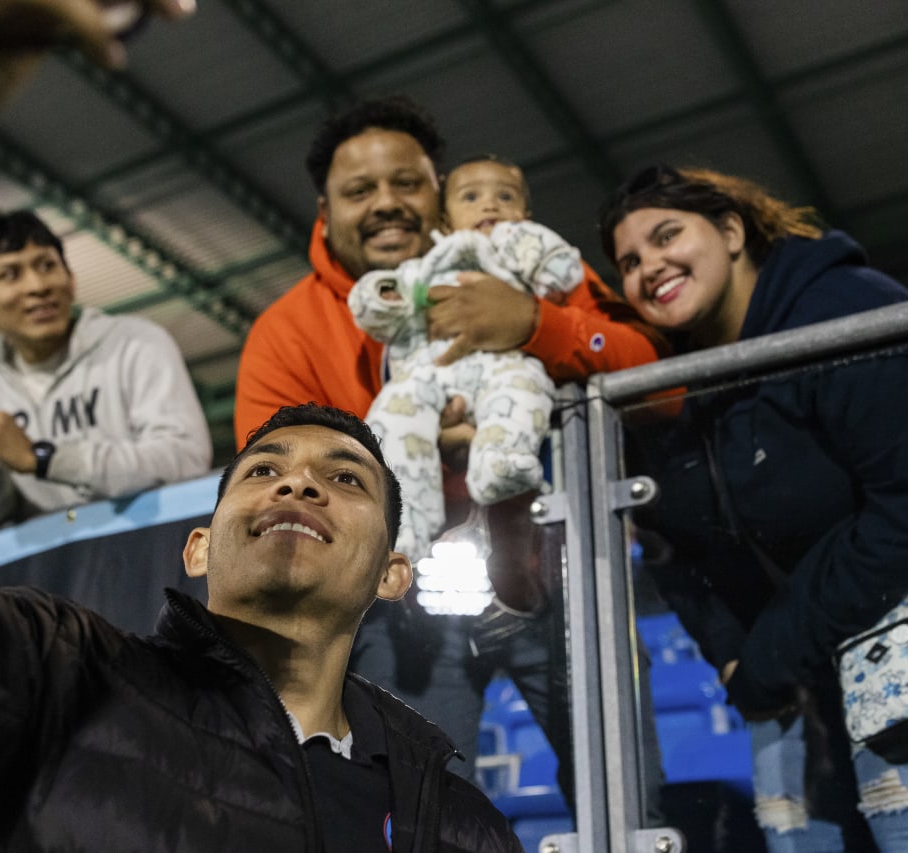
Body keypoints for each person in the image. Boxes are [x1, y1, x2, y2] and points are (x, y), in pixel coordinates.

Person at [0, 2, 523, 851]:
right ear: (196, 547)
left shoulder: (456, 824)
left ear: (393, 573)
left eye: (345, 477)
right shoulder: (63, 687)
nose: (297, 479)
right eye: (261, 470)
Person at [600, 164, 908, 851]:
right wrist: (734, 655)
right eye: (628, 262)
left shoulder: (844, 305)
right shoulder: (680, 384)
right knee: (804, 837)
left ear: (732, 230)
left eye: (667, 235)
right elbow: (673, 542)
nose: (648, 268)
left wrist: (776, 645)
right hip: (823, 619)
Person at [232, 97, 669, 815]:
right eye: (359, 190)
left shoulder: (519, 265)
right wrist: (414, 454)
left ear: (440, 188)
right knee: (418, 818)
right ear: (324, 208)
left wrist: (536, 323)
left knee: (629, 801)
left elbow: (659, 379)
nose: (386, 204)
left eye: (407, 183)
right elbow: (270, 489)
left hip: (559, 577)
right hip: (397, 605)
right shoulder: (287, 332)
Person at [349, 154, 584, 560]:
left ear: (525, 213)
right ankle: (401, 525)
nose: (490, 205)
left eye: (505, 196)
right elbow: (379, 310)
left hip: (504, 363)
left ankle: (502, 462)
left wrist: (542, 253)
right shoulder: (426, 265)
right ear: (445, 220)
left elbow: (563, 271)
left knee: (527, 392)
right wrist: (384, 295)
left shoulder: (518, 249)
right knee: (391, 421)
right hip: (433, 366)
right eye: (471, 196)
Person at [0, 208, 212, 537]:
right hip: (45, 576)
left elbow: (185, 460)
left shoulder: (135, 343)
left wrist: (44, 458)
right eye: (10, 275)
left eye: (47, 265)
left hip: (153, 552)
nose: (38, 285)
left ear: (71, 280)